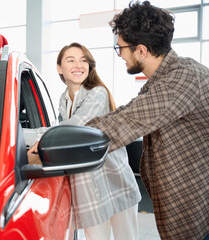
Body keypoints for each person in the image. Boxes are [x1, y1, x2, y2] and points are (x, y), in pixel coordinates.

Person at [83, 1, 209, 239]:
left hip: (198, 217)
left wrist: (59, 143)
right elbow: (125, 112)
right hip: (184, 213)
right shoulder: (165, 79)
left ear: (141, 50)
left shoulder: (182, 79)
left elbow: (125, 124)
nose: (120, 55)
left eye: (121, 48)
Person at [25, 42, 141, 240]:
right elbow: (63, 133)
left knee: (127, 237)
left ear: (90, 66)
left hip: (114, 179)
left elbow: (74, 127)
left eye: (83, 60)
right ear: (59, 68)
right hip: (89, 186)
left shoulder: (97, 92)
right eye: (71, 60)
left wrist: (20, 134)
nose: (78, 65)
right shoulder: (64, 98)